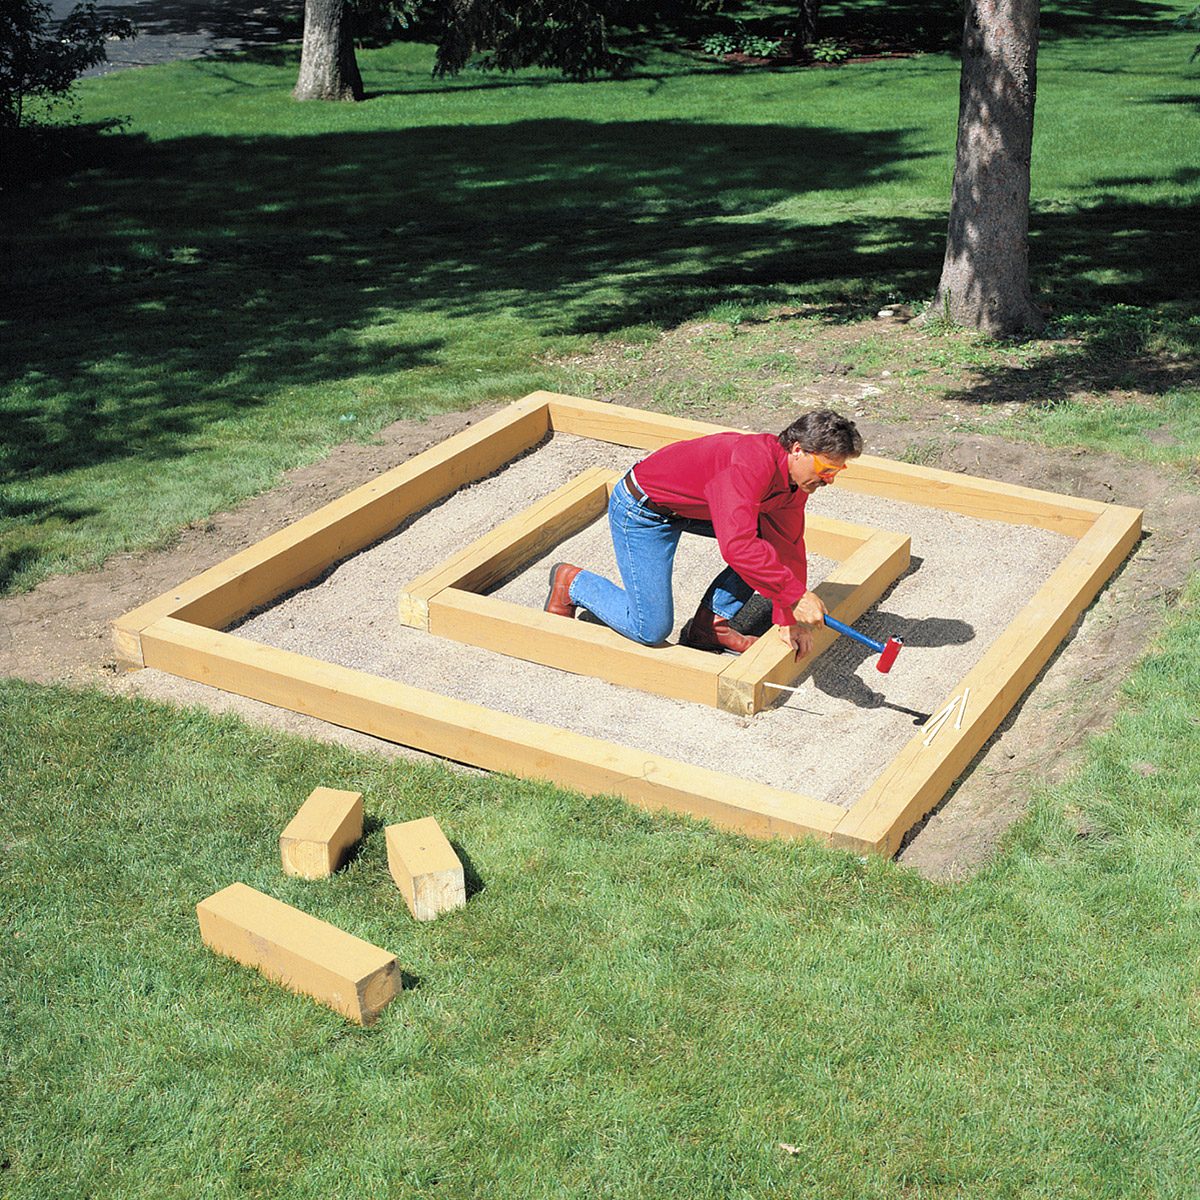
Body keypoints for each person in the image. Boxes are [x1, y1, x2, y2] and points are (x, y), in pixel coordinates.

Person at [544, 409, 863, 659]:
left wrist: (787, 617)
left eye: (837, 472)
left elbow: (788, 547)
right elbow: (737, 546)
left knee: (765, 544)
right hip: (643, 510)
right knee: (649, 628)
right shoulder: (750, 463)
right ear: (798, 450)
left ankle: (709, 627)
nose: (830, 480)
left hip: (696, 508)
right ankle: (572, 583)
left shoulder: (795, 485)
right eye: (827, 469)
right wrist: (794, 596)